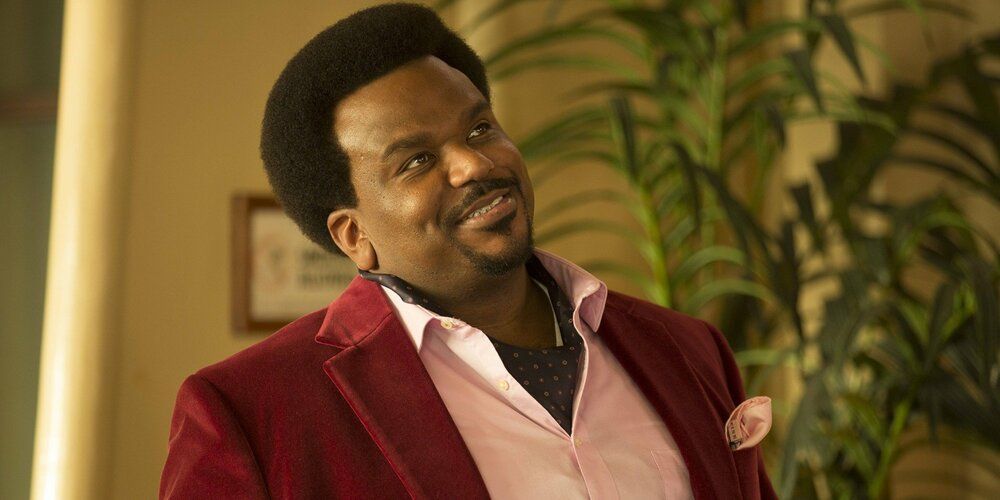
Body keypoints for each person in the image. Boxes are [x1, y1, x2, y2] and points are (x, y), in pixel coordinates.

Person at [160, 3, 776, 499]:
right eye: (416, 161)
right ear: (353, 235)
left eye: (479, 128)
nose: (474, 165)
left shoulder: (688, 350)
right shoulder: (253, 412)